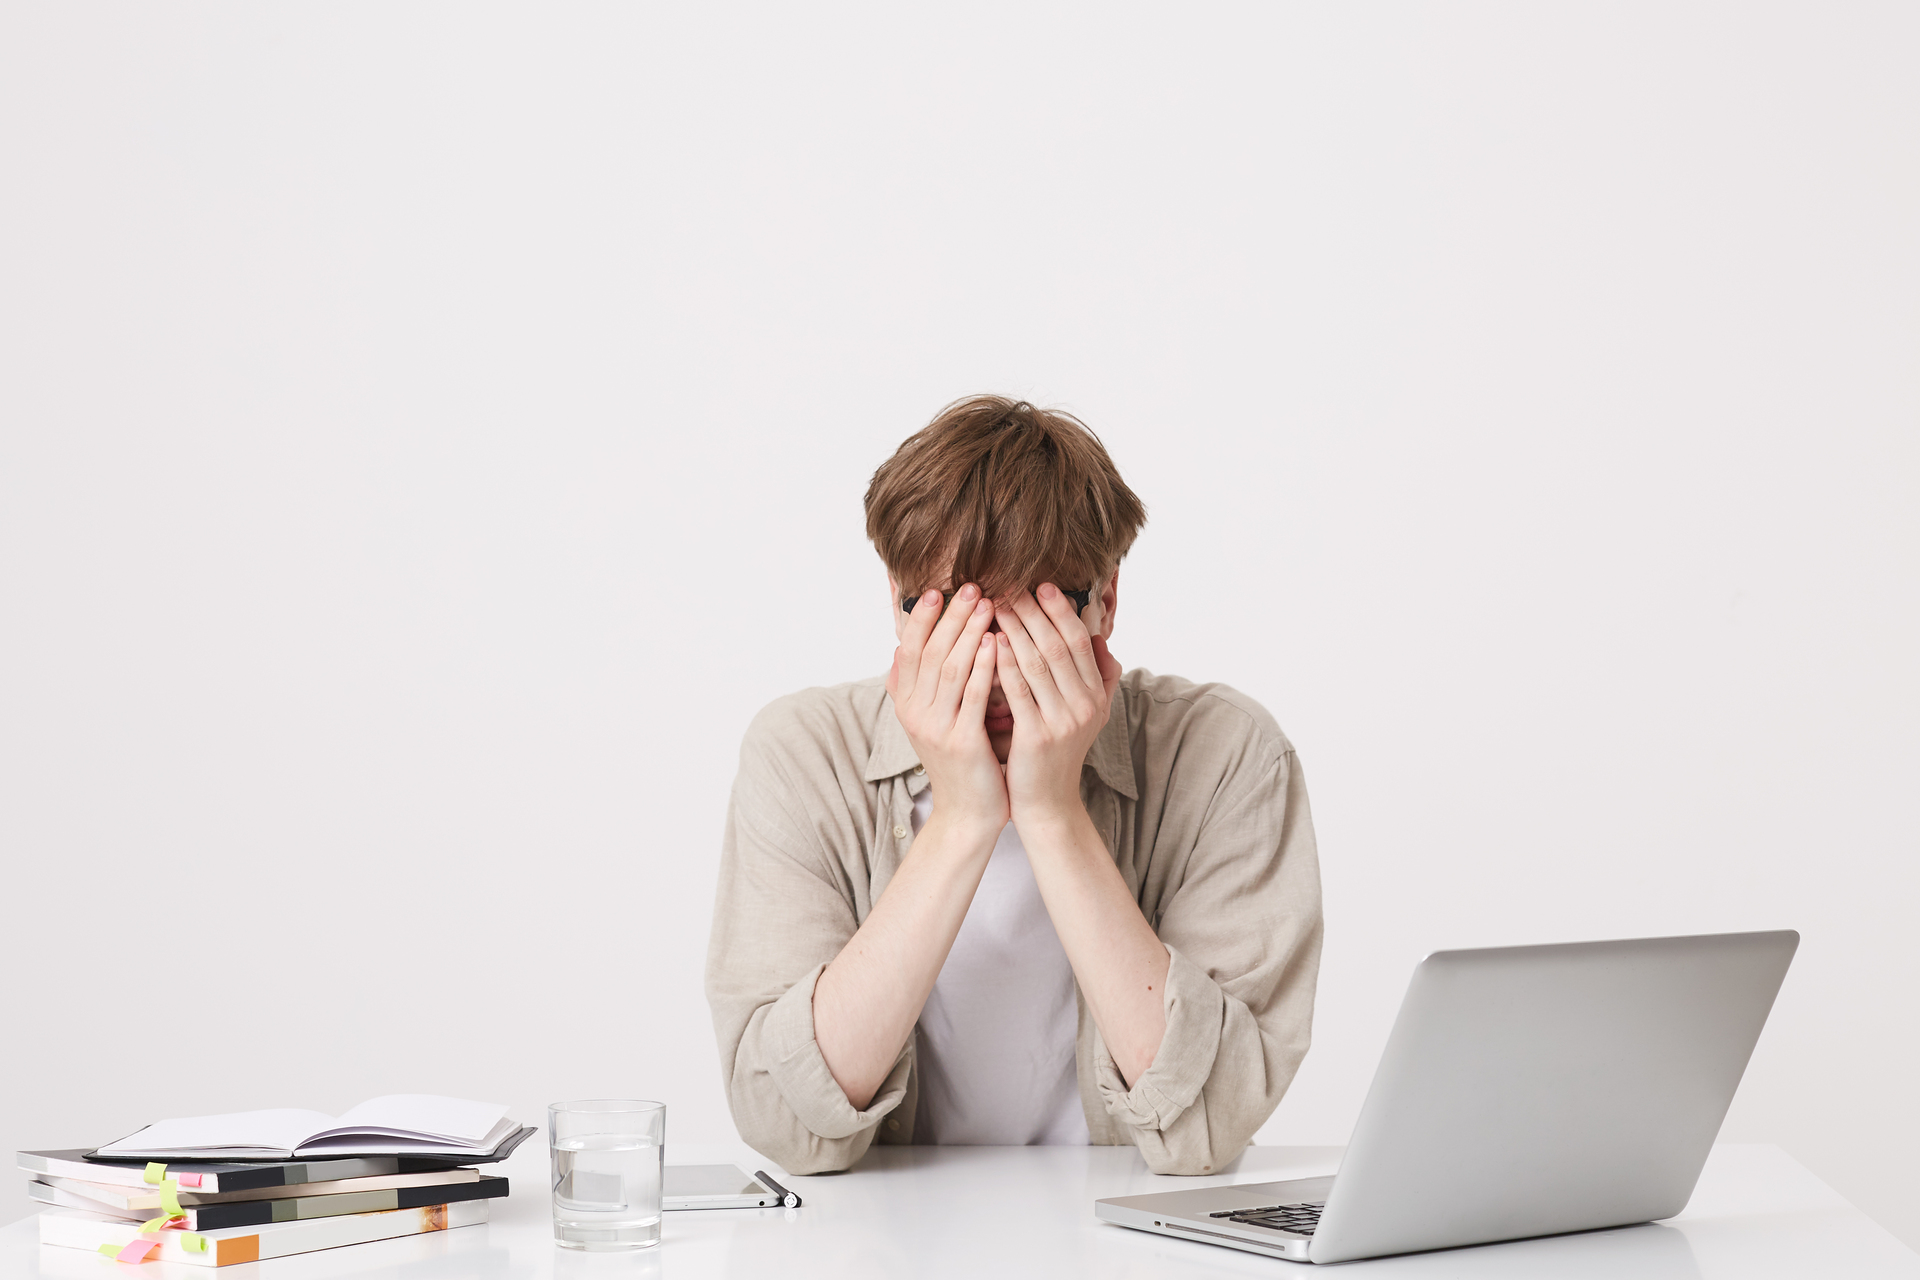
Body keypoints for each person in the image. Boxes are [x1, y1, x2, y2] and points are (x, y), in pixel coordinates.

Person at [705, 396, 1322, 1175]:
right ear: (896, 604)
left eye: (1034, 623)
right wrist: (963, 817)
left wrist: (1053, 811)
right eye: (960, 623)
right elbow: (787, 1127)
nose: (997, 669)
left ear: (1107, 600)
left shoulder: (1229, 755)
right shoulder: (800, 755)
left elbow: (1207, 1127)